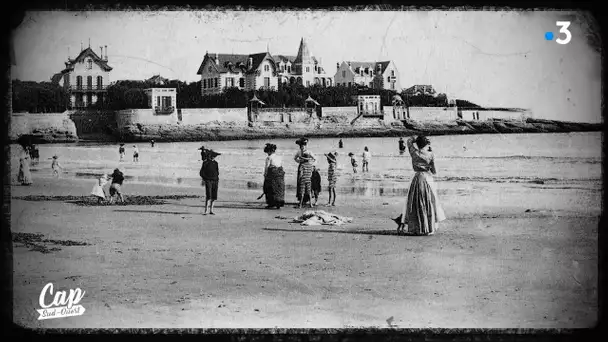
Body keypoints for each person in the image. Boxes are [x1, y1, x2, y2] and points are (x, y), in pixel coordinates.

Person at [393, 135, 446, 236]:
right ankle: (428, 227)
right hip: (426, 178)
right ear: (426, 144)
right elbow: (434, 171)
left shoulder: (414, 152)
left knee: (415, 203)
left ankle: (416, 227)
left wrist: (414, 139)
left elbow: (409, 141)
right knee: (428, 202)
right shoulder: (430, 154)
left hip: (416, 178)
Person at [262, 143, 285, 209]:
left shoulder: (268, 158)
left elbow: (266, 167)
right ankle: (279, 203)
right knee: (279, 188)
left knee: (270, 188)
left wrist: (265, 175)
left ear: (269, 151)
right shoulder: (279, 157)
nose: (267, 153)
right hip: (280, 174)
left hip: (272, 174)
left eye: (267, 152)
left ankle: (271, 203)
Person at [294, 138, 316, 205]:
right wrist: (299, 161)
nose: (302, 148)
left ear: (305, 146)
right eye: (301, 147)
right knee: (300, 182)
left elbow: (314, 159)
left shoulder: (309, 152)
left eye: (303, 146)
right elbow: (295, 158)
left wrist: (310, 163)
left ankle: (308, 199)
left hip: (308, 167)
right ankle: (301, 199)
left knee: (308, 182)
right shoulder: (299, 152)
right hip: (301, 167)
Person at [200, 149, 220, 215]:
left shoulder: (216, 163)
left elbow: (217, 172)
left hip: (215, 180)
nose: (213, 157)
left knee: (214, 197)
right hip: (208, 180)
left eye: (214, 156)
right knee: (208, 196)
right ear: (210, 155)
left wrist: (217, 178)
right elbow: (201, 172)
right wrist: (204, 179)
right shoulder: (205, 162)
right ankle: (206, 210)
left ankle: (211, 210)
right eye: (212, 156)